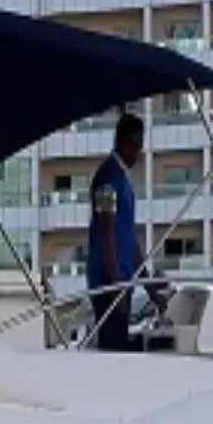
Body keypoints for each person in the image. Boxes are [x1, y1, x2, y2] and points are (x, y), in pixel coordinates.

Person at [86, 110, 145, 350]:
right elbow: (105, 228)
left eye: (140, 145)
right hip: (109, 283)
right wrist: (115, 282)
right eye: (133, 144)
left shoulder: (124, 180)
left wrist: (147, 281)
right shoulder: (107, 179)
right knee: (113, 350)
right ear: (120, 141)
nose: (137, 151)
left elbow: (129, 238)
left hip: (122, 281)